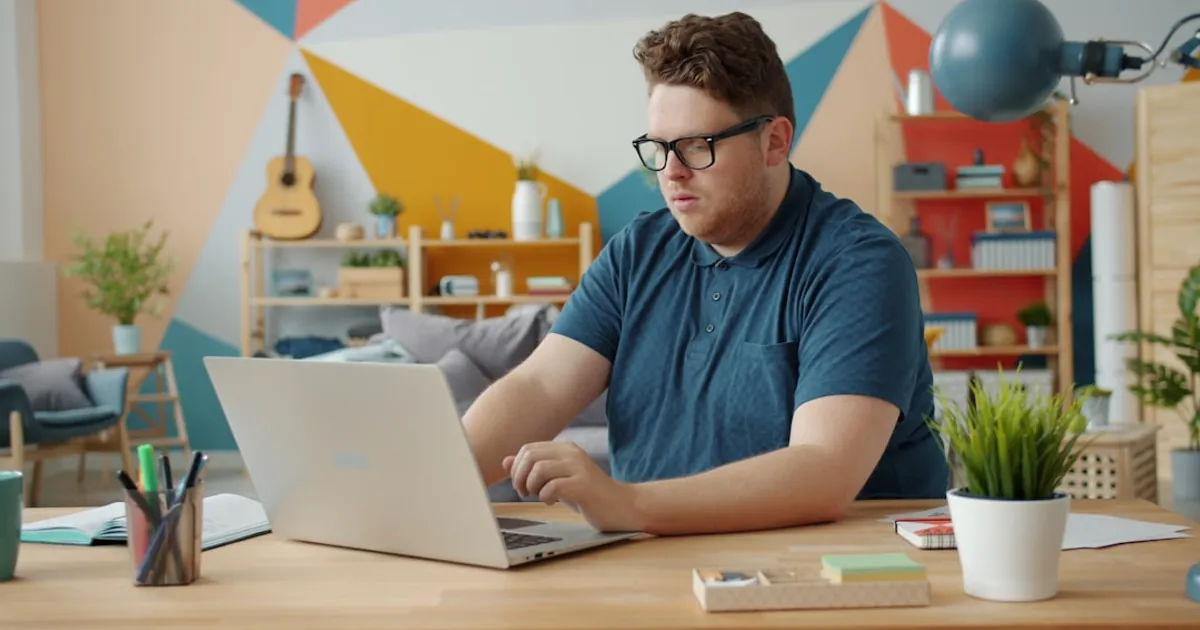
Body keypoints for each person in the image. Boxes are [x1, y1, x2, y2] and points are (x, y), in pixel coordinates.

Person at [461, 11, 948, 536]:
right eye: (660, 147)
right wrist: (439, 479)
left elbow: (824, 470)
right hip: (659, 559)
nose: (671, 171)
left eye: (697, 145)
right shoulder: (636, 252)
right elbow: (539, 385)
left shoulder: (858, 262)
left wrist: (627, 504)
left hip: (837, 570)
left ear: (775, 143)